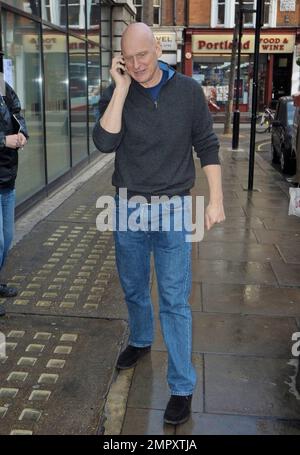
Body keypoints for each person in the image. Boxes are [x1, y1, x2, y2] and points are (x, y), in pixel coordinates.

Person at [93, 23, 225, 425]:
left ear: (158, 49)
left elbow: (207, 145)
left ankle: (182, 386)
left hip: (173, 209)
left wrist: (216, 199)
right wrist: (119, 89)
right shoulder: (117, 91)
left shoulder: (186, 91)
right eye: (128, 59)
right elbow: (104, 142)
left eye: (143, 56)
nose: (136, 65)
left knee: (173, 299)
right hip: (127, 207)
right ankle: (139, 339)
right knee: (133, 287)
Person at [0, 81, 28, 317]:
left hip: (7, 177)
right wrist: (3, 140)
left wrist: (22, 133)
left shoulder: (2, 86)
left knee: (6, 239)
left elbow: (17, 112)